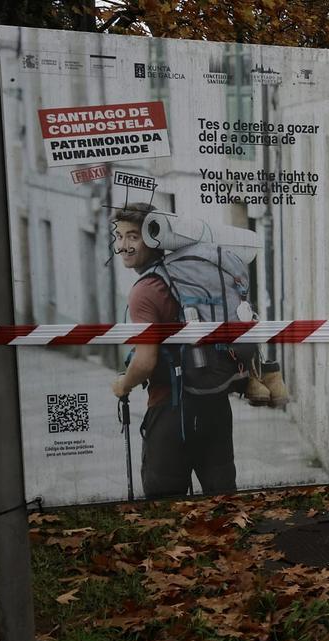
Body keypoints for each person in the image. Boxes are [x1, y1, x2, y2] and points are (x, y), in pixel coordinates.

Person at [110, 203, 237, 499]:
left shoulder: (145, 290)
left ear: (155, 238)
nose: (123, 245)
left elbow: (145, 361)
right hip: (214, 404)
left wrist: (123, 384)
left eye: (133, 236)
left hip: (171, 408)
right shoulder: (187, 274)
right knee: (225, 504)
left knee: (165, 511)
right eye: (119, 236)